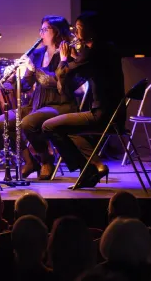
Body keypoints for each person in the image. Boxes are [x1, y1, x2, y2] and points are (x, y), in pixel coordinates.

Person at [0, 16, 82, 179]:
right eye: (40, 29)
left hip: (59, 104)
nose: (41, 33)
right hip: (37, 104)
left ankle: (46, 159)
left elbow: (57, 81)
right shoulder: (38, 54)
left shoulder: (67, 53)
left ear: (56, 31)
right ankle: (29, 161)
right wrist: (11, 82)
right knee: (1, 122)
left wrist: (35, 69)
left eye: (44, 29)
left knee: (28, 123)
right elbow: (27, 84)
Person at [42, 11, 124, 188]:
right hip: (114, 113)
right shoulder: (107, 48)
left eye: (79, 28)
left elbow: (64, 74)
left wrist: (64, 58)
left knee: (49, 125)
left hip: (101, 115)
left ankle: (86, 168)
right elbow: (87, 69)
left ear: (92, 30)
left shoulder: (93, 52)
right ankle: (92, 165)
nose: (76, 33)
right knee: (67, 127)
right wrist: (75, 57)